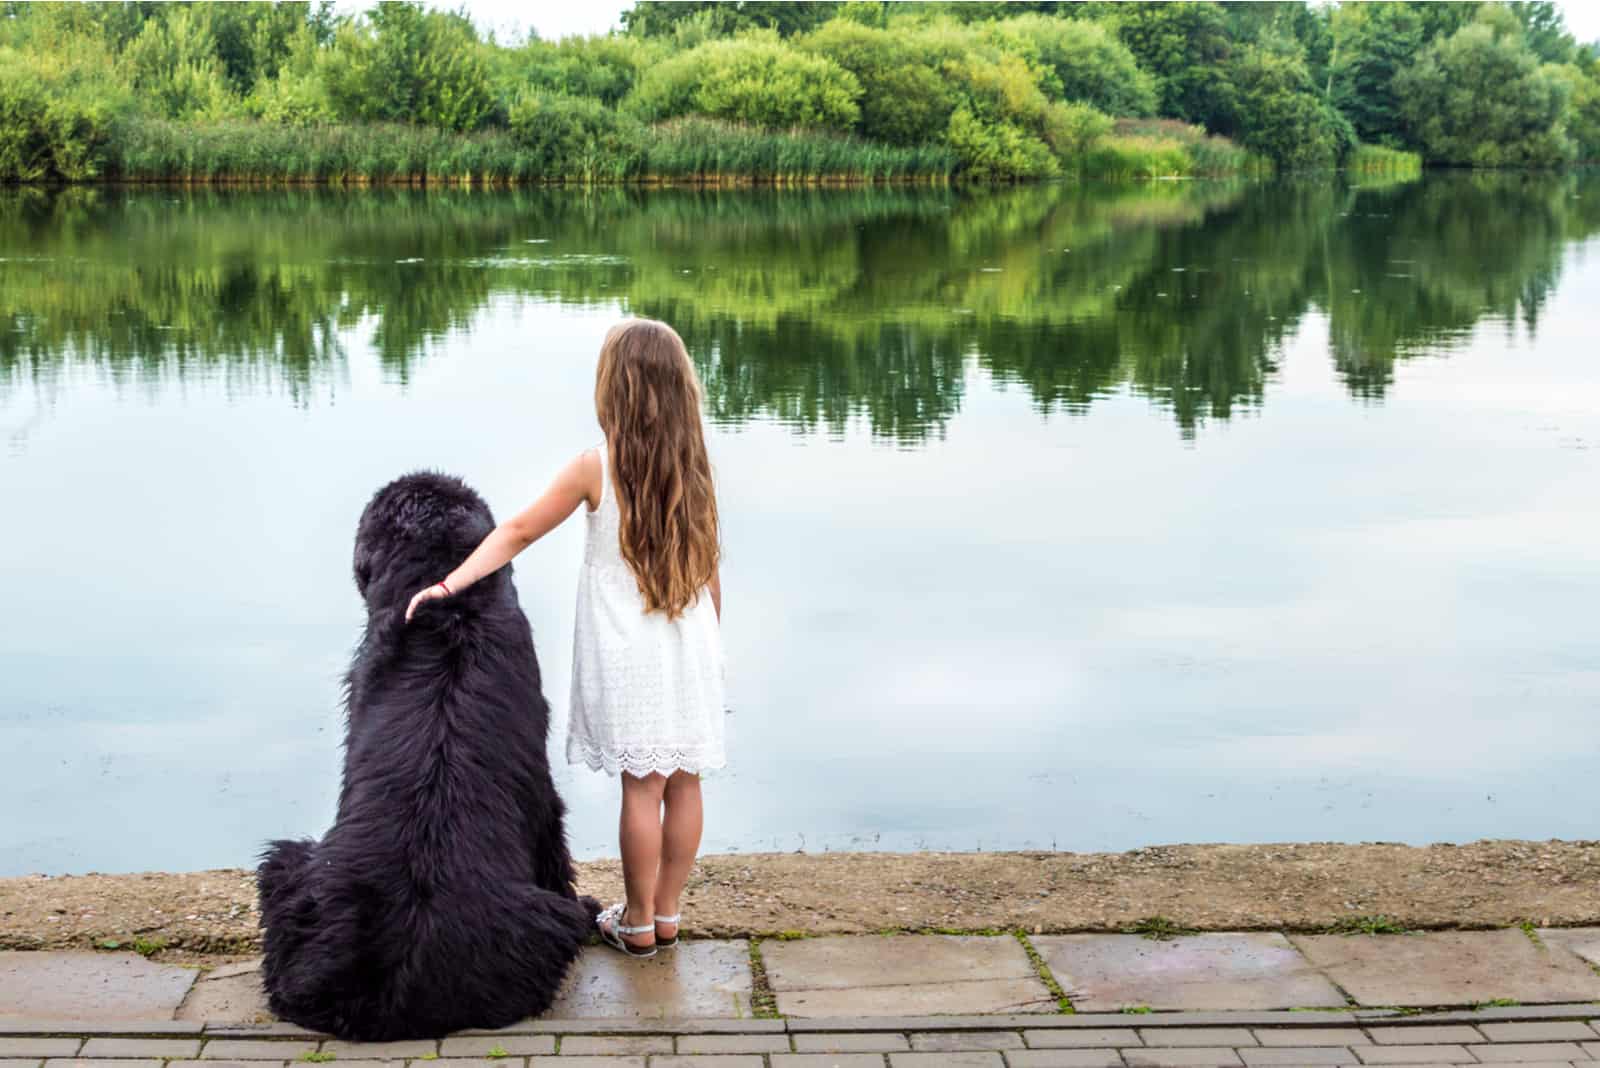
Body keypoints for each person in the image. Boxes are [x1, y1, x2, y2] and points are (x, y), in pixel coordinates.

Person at [405, 318, 726, 959]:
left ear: (616, 390)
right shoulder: (694, 468)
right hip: (691, 645)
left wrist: (450, 583)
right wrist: (716, 649)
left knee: (643, 786)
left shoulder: (595, 469)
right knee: (684, 782)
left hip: (629, 653)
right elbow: (713, 566)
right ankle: (666, 913)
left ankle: (634, 923)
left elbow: (520, 531)